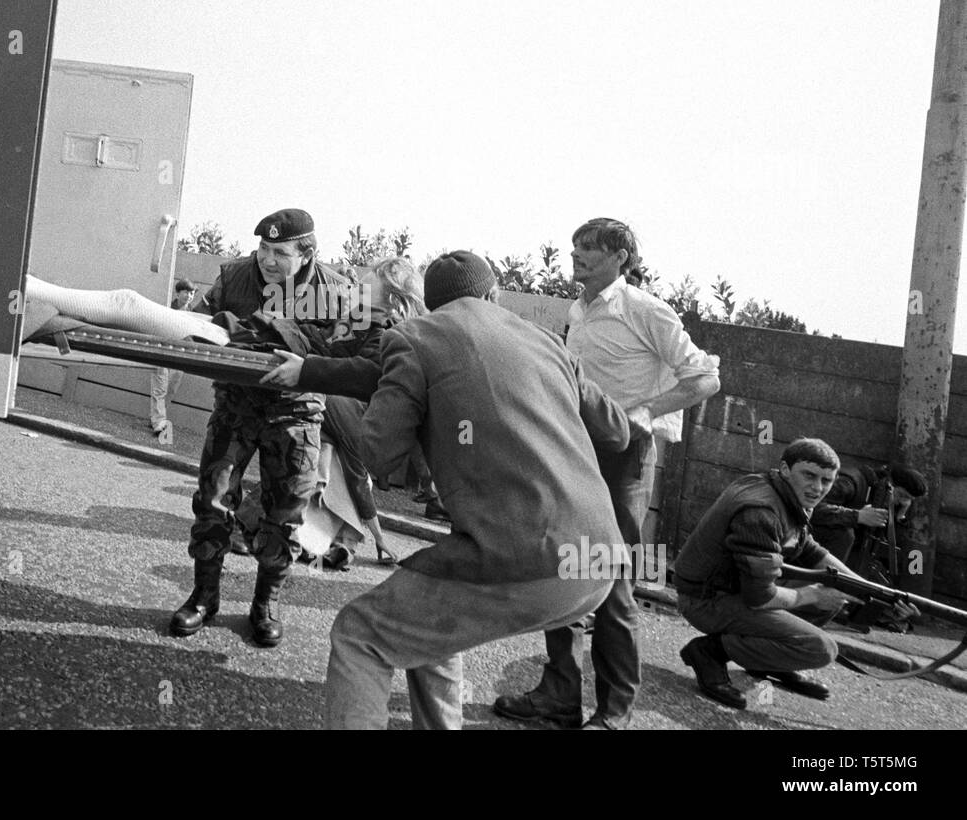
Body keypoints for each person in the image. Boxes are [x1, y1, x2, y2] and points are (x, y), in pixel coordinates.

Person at [323, 250, 639, 729]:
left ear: (431, 302)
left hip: (523, 559)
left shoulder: (412, 338)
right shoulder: (548, 341)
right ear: (494, 295)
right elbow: (617, 431)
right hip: (600, 564)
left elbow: (379, 453)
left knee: (359, 634)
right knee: (427, 623)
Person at [495, 217, 721, 730]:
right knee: (562, 569)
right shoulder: (578, 309)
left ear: (621, 257)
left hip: (624, 458)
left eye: (591, 249)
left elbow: (704, 376)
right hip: (573, 449)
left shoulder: (646, 310)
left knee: (611, 580)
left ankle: (614, 710)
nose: (577, 255)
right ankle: (559, 694)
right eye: (575, 246)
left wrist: (643, 414)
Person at [170, 208, 350, 647]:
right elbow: (199, 328)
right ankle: (203, 597)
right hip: (237, 404)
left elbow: (342, 350)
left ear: (307, 254)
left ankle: (264, 606)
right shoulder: (233, 277)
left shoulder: (339, 291)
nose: (267, 260)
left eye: (280, 252)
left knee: (285, 514)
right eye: (263, 249)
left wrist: (260, 332)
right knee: (212, 502)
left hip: (296, 412)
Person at [670, 438, 902, 708]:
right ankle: (709, 651)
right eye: (810, 476)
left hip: (732, 590)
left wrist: (873, 591)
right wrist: (811, 595)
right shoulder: (762, 511)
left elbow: (810, 550)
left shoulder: (781, 492)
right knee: (822, 648)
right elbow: (760, 597)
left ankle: (766, 661)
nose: (818, 488)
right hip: (706, 600)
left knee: (836, 590)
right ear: (785, 468)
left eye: (826, 481)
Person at [261, 256, 430, 567]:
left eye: (365, 289)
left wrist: (307, 368)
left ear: (391, 302)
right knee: (321, 451)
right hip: (348, 430)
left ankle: (326, 538)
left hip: (363, 431)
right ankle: (337, 541)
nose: (355, 293)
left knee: (323, 448)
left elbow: (359, 470)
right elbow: (332, 347)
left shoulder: (389, 341)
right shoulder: (372, 328)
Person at [810, 463, 927, 571]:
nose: (901, 502)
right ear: (889, 482)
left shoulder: (887, 499)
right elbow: (812, 509)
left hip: (846, 558)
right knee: (845, 534)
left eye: (908, 500)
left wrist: (900, 516)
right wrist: (857, 516)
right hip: (811, 542)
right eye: (901, 495)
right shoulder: (850, 483)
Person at [149, 278, 198, 444]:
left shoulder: (193, 313)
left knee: (171, 389)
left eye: (191, 293)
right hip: (163, 352)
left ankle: (157, 418)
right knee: (160, 388)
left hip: (180, 356)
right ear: (178, 293)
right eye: (186, 292)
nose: (189, 296)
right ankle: (159, 422)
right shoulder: (167, 308)